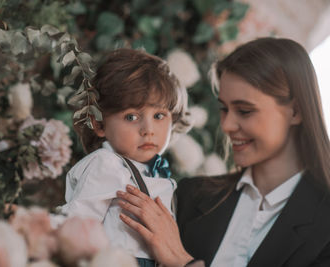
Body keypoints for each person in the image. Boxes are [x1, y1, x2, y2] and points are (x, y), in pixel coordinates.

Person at [117, 37, 330, 267]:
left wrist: (183, 262)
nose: (227, 125)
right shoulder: (191, 195)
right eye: (224, 109)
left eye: (245, 111)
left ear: (295, 112)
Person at [58, 48, 190, 266]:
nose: (148, 129)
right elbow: (77, 220)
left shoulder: (155, 171)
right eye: (131, 116)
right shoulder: (107, 164)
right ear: (100, 124)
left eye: (159, 116)